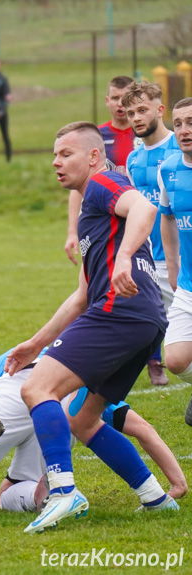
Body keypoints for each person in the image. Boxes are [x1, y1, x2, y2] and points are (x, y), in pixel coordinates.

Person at [6, 121, 169, 533]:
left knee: (36, 389)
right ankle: (156, 498)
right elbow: (81, 296)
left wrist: (125, 257)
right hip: (144, 319)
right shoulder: (89, 211)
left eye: (66, 154)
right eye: (54, 155)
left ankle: (63, 492)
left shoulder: (103, 184)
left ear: (94, 156)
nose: (56, 163)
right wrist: (35, 343)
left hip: (121, 312)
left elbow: (145, 208)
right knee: (82, 420)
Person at [0, 348, 185, 514]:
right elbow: (143, 429)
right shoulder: (82, 376)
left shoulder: (1, 365)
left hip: (15, 383)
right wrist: (177, 483)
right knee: (79, 422)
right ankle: (43, 490)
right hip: (65, 400)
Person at [124, 82, 180, 386]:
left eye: (142, 109)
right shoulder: (133, 159)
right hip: (147, 258)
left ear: (160, 110)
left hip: (180, 259)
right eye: (131, 112)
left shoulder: (180, 148)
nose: (136, 117)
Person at [65, 76, 135, 263]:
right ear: (107, 101)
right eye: (114, 98)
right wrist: (72, 232)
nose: (120, 104)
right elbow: (78, 186)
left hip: (136, 215)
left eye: (125, 98)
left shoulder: (144, 136)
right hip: (103, 220)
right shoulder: (95, 137)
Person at [158, 98, 192, 425]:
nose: (184, 130)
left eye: (191, 122)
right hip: (187, 284)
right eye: (179, 123)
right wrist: (172, 263)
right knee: (177, 360)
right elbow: (166, 217)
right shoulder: (168, 169)